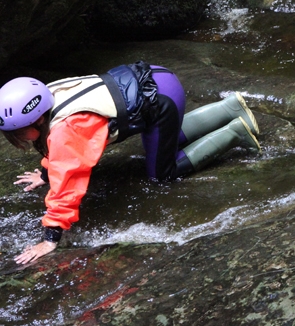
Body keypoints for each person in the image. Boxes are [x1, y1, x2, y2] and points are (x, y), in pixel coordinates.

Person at [0, 61, 261, 265]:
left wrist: (50, 238)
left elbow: (68, 178)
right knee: (164, 142)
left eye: (19, 133)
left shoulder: (67, 128)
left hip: (161, 100)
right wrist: (45, 174)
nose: (17, 139)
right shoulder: (49, 95)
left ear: (37, 120)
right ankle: (229, 108)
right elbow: (59, 155)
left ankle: (235, 133)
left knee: (162, 173)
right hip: (156, 78)